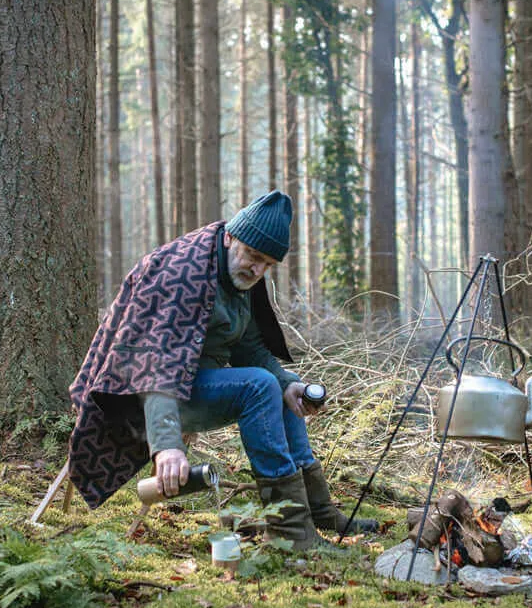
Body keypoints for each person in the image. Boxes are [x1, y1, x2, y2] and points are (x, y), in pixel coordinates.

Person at [67, 191, 377, 549]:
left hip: (187, 382)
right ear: (230, 236)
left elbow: (249, 346)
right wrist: (166, 446)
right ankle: (290, 533)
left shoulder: (233, 270)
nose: (258, 271)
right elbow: (154, 369)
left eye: (267, 265)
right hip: (134, 395)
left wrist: (288, 382)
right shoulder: (181, 273)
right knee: (258, 386)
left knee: (276, 387)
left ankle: (316, 510)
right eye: (254, 257)